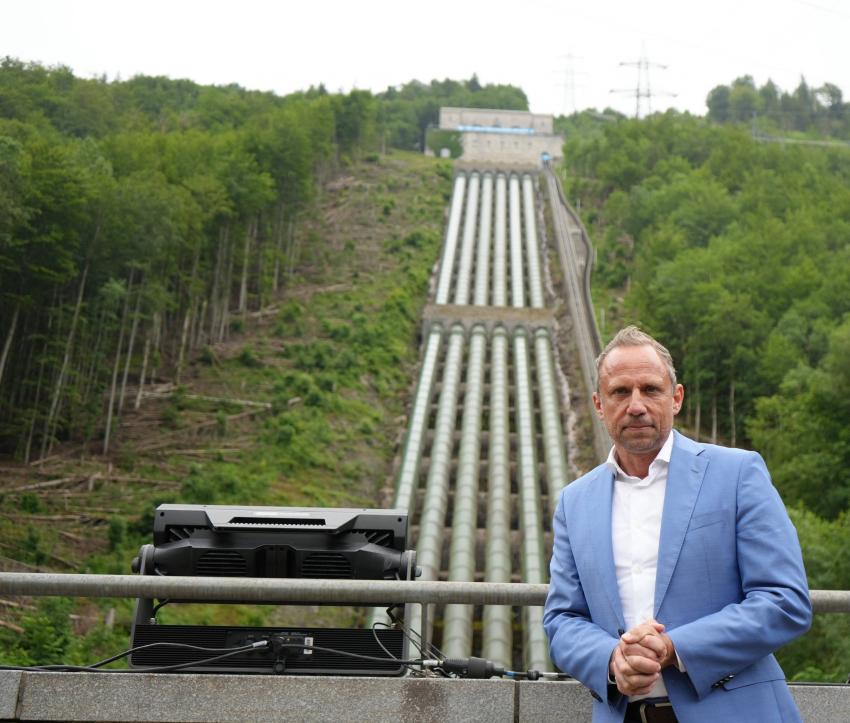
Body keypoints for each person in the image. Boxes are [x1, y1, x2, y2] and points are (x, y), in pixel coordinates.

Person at [543, 326, 811, 723]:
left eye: (650, 389)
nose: (636, 405)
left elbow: (784, 600)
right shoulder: (575, 502)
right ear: (599, 405)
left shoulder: (737, 474)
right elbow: (562, 618)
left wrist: (672, 648)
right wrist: (612, 660)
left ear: (677, 398)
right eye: (620, 392)